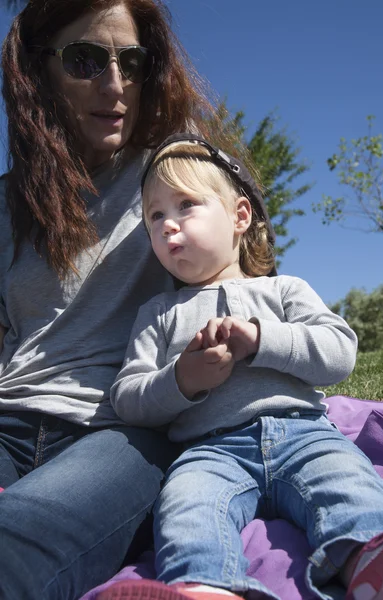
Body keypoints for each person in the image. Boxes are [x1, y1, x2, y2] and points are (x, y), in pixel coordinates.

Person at [0, 2, 231, 599]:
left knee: (17, 541)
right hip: (8, 416)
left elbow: (243, 270)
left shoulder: (174, 173)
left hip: (121, 427)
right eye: (85, 60)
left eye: (132, 62)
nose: (115, 84)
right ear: (36, 72)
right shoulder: (7, 204)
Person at [108, 133, 383, 600]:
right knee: (187, 507)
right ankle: (203, 585)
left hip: (302, 432)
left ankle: (376, 560)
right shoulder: (158, 314)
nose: (167, 226)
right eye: (154, 216)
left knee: (347, 483)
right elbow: (127, 397)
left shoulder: (283, 290)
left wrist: (264, 339)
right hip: (208, 450)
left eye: (185, 205)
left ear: (240, 216)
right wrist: (182, 379)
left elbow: (339, 352)